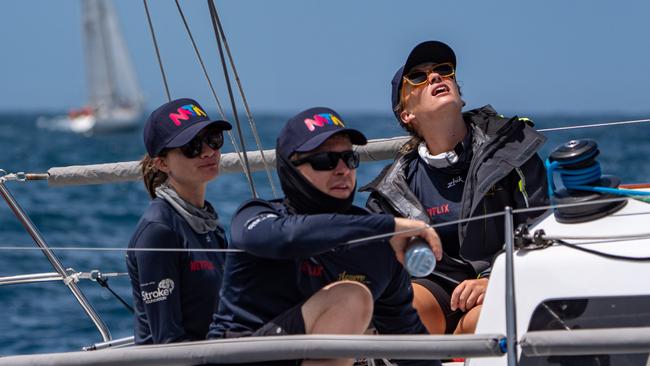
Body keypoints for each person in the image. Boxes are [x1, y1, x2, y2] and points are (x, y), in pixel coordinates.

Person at [208, 107, 443, 366]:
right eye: (325, 161)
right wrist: (387, 226)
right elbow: (288, 237)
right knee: (350, 297)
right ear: (291, 168)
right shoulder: (255, 217)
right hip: (240, 357)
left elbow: (407, 339)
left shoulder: (377, 246)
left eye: (349, 159)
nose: (342, 169)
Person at [362, 41, 548, 335]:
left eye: (443, 71)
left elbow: (540, 230)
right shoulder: (392, 188)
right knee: (398, 312)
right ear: (406, 114)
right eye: (419, 77)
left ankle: (460, 335)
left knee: (488, 318)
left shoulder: (513, 148)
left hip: (501, 278)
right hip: (436, 287)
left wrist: (494, 278)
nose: (435, 77)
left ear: (460, 96)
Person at [127, 98, 232, 344]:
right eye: (192, 146)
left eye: (213, 139)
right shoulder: (159, 231)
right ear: (162, 163)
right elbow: (168, 345)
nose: (209, 151)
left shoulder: (210, 227)